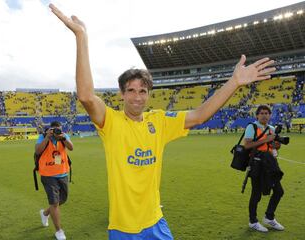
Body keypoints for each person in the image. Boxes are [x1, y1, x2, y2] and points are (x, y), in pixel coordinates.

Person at [49, 3, 276, 239]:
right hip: (122, 228)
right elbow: (85, 95)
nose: (137, 97)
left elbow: (199, 115)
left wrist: (234, 82)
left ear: (149, 94)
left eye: (143, 91)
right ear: (122, 94)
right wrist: (81, 37)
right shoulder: (111, 122)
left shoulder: (159, 121)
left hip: (155, 222)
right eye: (132, 90)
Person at [243, 105, 284, 232]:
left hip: (270, 163)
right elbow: (247, 145)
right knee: (256, 194)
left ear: (270, 115)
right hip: (257, 163)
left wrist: (276, 145)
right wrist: (266, 139)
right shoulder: (252, 127)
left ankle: (269, 217)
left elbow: (273, 147)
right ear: (257, 115)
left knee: (278, 191)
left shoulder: (271, 129)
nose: (264, 115)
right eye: (262, 113)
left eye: (267, 113)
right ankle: (253, 221)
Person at [35, 121, 73, 240]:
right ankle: (59, 231)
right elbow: (38, 151)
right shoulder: (42, 136)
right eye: (55, 130)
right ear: (50, 129)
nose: (57, 132)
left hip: (62, 173)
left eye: (59, 129)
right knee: (54, 203)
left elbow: (71, 147)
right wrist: (47, 137)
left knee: (62, 199)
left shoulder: (64, 136)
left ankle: (45, 213)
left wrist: (63, 138)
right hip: (48, 174)